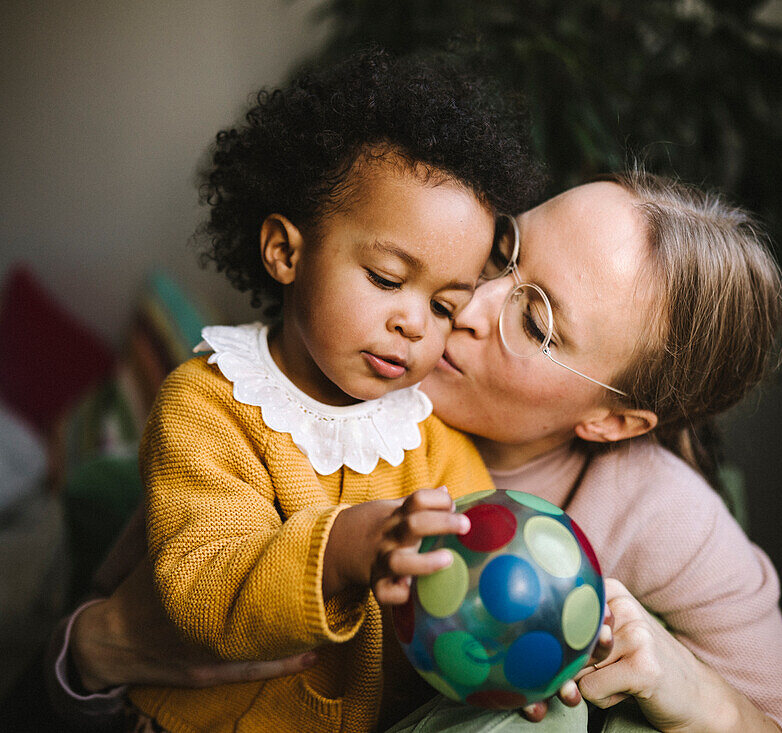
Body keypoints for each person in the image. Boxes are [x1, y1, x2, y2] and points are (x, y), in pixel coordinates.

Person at [48, 172, 782, 733]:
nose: (469, 304)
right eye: (505, 251)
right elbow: (108, 618)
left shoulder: (662, 513)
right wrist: (97, 646)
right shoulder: (302, 395)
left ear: (613, 421)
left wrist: (701, 697)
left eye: (535, 321)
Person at [122, 48, 546, 733]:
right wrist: (346, 545)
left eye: (445, 306)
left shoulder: (429, 439)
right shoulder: (206, 404)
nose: (414, 321)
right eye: (385, 277)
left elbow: (472, 583)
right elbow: (202, 587)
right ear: (285, 252)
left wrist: (517, 655)